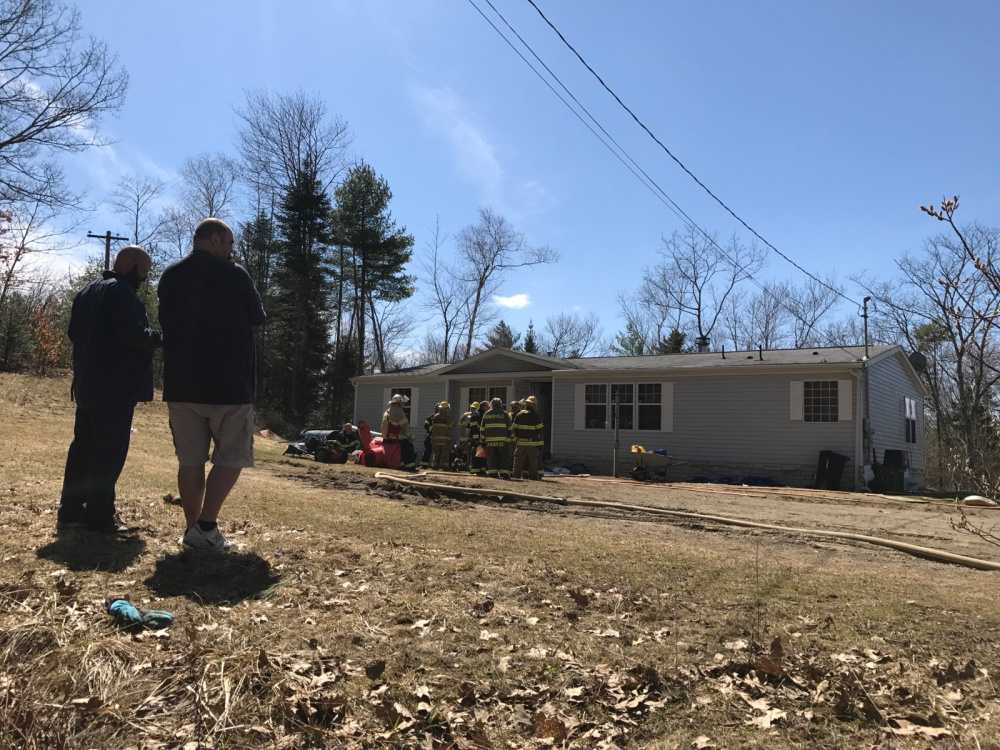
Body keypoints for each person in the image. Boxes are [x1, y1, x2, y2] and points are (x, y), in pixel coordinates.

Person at [158, 218, 266, 551]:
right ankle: (206, 526)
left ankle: (193, 531)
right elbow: (258, 317)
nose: (232, 250)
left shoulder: (170, 275)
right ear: (216, 239)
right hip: (228, 385)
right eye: (230, 243)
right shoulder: (234, 274)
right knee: (231, 457)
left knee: (189, 460)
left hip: (181, 385)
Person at [58, 246, 162, 534]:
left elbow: (73, 333)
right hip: (115, 387)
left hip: (88, 383)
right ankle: (100, 515)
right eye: (143, 270)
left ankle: (70, 510)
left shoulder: (88, 291)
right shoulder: (120, 292)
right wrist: (160, 338)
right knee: (109, 451)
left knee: (83, 448)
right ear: (128, 264)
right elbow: (133, 336)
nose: (145, 276)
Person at [512, 395, 544, 480]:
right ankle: (533, 476)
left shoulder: (519, 415)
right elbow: (540, 428)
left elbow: (514, 428)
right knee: (533, 460)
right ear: (533, 405)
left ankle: (516, 475)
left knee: (518, 459)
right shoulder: (535, 415)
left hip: (520, 442)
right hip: (532, 443)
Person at [381, 393, 416, 470]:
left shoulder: (387, 412)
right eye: (402, 402)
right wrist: (408, 436)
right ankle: (409, 466)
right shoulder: (399, 412)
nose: (403, 404)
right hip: (396, 437)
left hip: (386, 438)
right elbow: (405, 427)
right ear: (399, 403)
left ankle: (400, 464)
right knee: (408, 446)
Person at [482, 398, 512, 479]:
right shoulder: (505, 414)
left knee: (492, 457)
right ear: (500, 404)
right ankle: (504, 473)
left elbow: (482, 428)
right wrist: (510, 438)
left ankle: (492, 473)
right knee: (504, 457)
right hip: (503, 441)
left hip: (490, 441)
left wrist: (482, 440)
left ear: (491, 404)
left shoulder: (486, 414)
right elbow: (510, 428)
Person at [430, 401, 455, 470]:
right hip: (445, 439)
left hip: (435, 439)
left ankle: (435, 465)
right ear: (446, 409)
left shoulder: (435, 417)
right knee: (445, 453)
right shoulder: (447, 417)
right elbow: (452, 426)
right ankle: (445, 466)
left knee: (436, 453)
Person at [457, 402, 477, 472]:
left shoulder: (465, 415)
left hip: (464, 438)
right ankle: (472, 466)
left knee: (467, 453)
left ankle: (469, 466)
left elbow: (459, 425)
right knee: (473, 452)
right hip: (472, 438)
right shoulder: (476, 416)